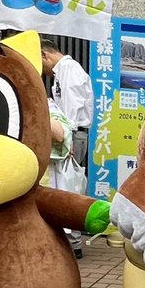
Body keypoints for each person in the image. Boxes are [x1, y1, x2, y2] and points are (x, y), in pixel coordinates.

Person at [42, 37, 94, 255]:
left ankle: (72, 243)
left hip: (71, 135)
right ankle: (69, 241)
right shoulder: (62, 71)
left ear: (44, 54)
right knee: (65, 184)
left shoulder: (68, 69)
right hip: (71, 135)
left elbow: (72, 105)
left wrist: (67, 136)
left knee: (66, 186)